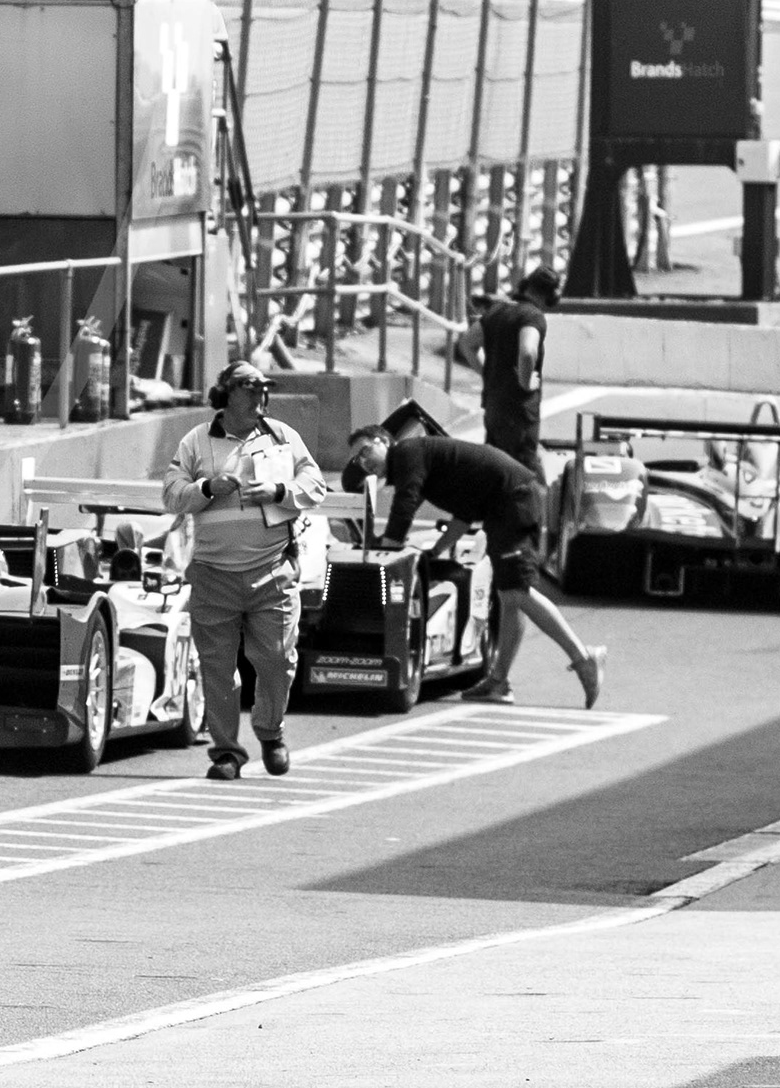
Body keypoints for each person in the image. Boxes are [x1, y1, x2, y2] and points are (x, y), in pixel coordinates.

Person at [345, 427, 603, 707]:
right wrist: (438, 549)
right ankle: (499, 682)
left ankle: (582, 657)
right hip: (505, 502)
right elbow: (464, 513)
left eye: (365, 450)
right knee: (509, 597)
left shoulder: (407, 453)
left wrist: (389, 544)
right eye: (358, 460)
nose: (364, 461)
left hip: (512, 499)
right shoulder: (418, 462)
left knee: (517, 592)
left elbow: (405, 504)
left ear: (384, 441)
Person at [161, 363, 327, 781]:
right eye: (250, 390)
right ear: (226, 394)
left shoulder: (283, 437)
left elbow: (316, 484)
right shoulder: (197, 441)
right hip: (213, 573)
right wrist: (206, 489)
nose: (260, 399)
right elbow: (171, 495)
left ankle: (271, 732)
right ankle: (226, 753)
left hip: (272, 571)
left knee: (275, 660)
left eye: (263, 390)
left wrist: (279, 492)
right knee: (217, 668)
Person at [478, 269, 562, 468]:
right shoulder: (533, 316)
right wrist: (525, 381)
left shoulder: (498, 310)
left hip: (493, 407)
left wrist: (487, 371)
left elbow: (467, 343)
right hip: (519, 412)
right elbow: (527, 351)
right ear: (550, 295)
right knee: (521, 475)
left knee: (494, 468)